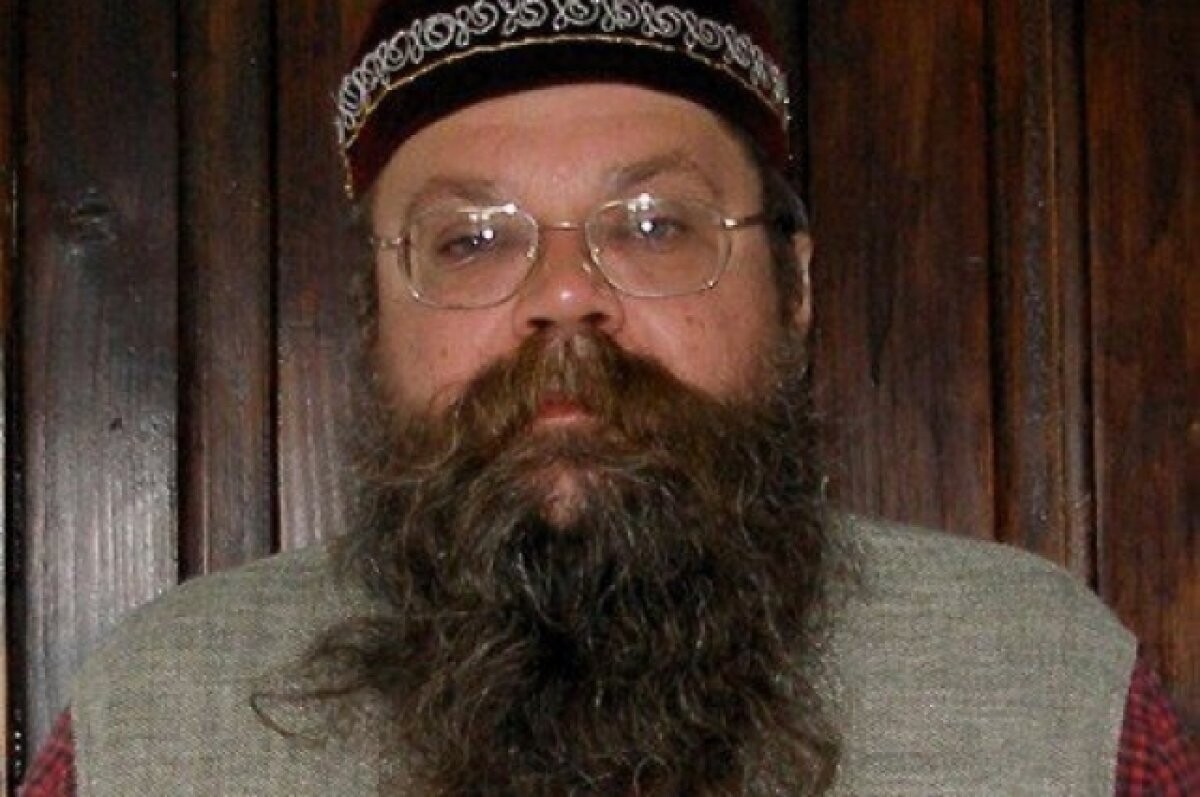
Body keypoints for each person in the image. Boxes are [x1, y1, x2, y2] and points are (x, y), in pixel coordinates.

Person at [19, 1, 1199, 794]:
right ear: (373, 318)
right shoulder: (157, 717)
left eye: (653, 225)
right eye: (473, 240)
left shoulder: (1048, 689)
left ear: (794, 287)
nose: (566, 294)